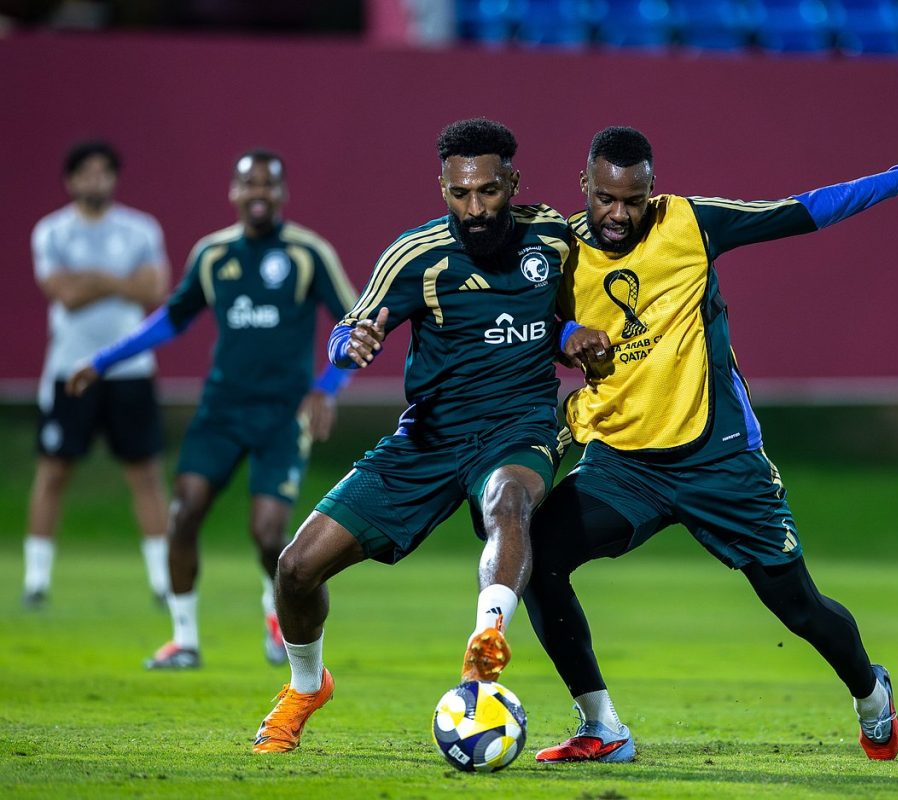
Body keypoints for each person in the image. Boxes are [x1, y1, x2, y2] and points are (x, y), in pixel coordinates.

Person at [525, 127, 898, 763]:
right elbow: (519, 321)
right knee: (536, 558)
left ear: (653, 191)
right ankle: (603, 727)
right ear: (583, 185)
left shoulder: (691, 224)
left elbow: (806, 209)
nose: (618, 214)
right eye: (605, 198)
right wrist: (565, 329)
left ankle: (871, 693)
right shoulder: (557, 251)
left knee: (800, 609)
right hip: (623, 466)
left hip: (721, 461)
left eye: (634, 200)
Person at [250, 118, 573, 754]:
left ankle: (486, 645)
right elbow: (347, 329)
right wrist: (351, 345)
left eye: (488, 191)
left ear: (513, 182)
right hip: (429, 436)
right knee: (295, 569)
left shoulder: (554, 237)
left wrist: (571, 336)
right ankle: (307, 686)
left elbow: (564, 313)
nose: (474, 208)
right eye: (459, 193)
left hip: (518, 426)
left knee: (509, 500)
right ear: (442, 187)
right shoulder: (415, 254)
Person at [68, 149, 357, 669]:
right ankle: (183, 640)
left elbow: (355, 324)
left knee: (268, 534)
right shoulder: (212, 254)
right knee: (184, 513)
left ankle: (276, 609)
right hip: (221, 409)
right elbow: (171, 320)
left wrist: (326, 388)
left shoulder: (307, 253)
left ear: (283, 193)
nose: (259, 193)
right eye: (250, 184)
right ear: (233, 192)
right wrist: (103, 361)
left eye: (268, 184)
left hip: (282, 415)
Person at [25, 139, 171, 609]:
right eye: (86, 172)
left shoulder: (140, 229)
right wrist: (121, 282)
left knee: (145, 473)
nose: (96, 180)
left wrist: (91, 278)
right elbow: (64, 294)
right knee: (53, 471)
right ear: (71, 180)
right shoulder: (52, 231)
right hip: (70, 368)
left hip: (130, 368)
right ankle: (36, 581)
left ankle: (164, 582)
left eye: (104, 171)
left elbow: (154, 289)